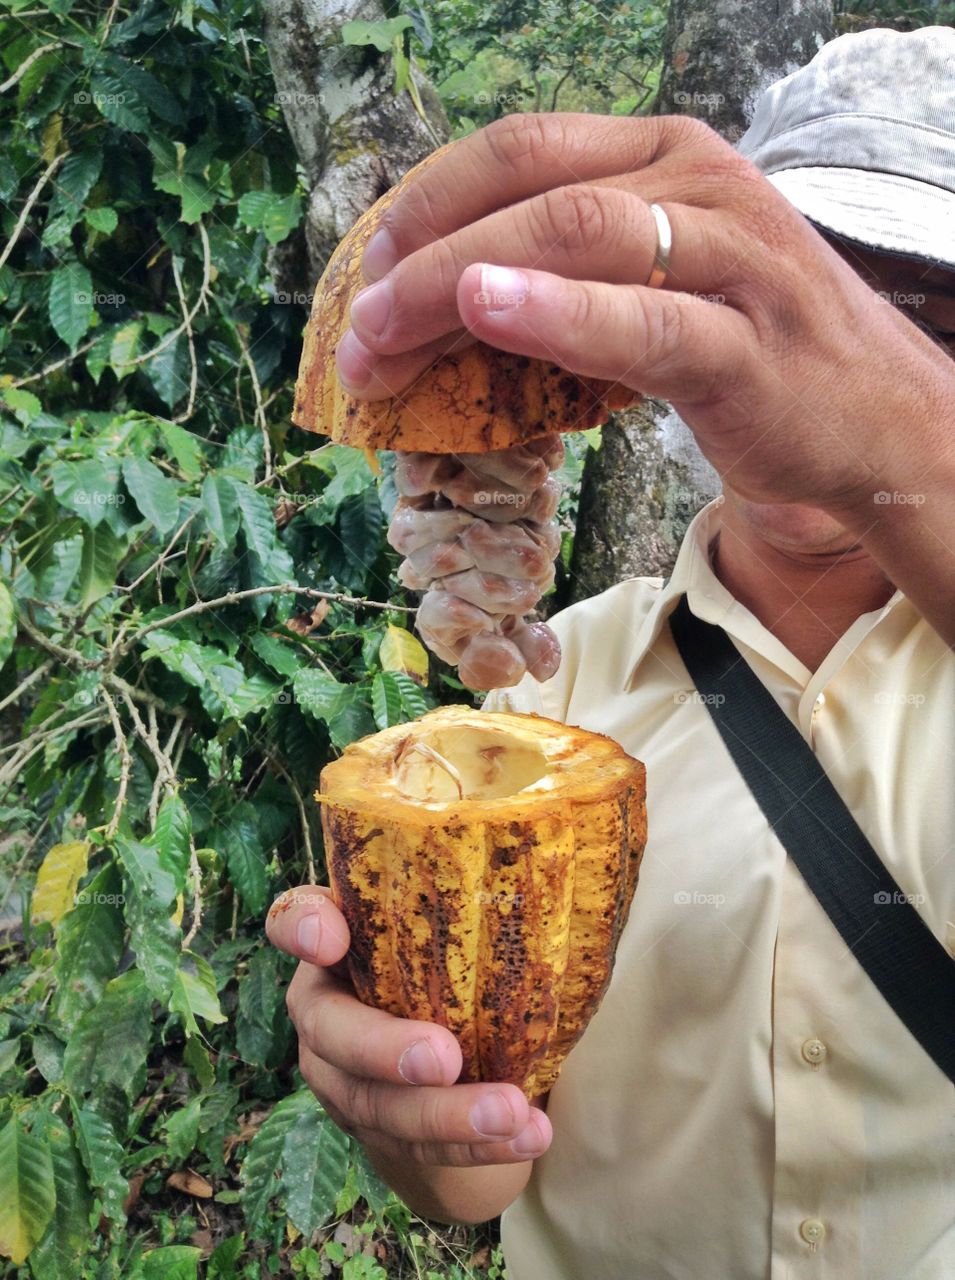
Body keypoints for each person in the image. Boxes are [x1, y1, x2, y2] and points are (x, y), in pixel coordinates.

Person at [266, 25, 955, 1279]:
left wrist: (913, 448)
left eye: (925, 322)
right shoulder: (547, 692)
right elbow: (476, 1174)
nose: (827, 362)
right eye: (810, 289)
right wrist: (420, 1128)